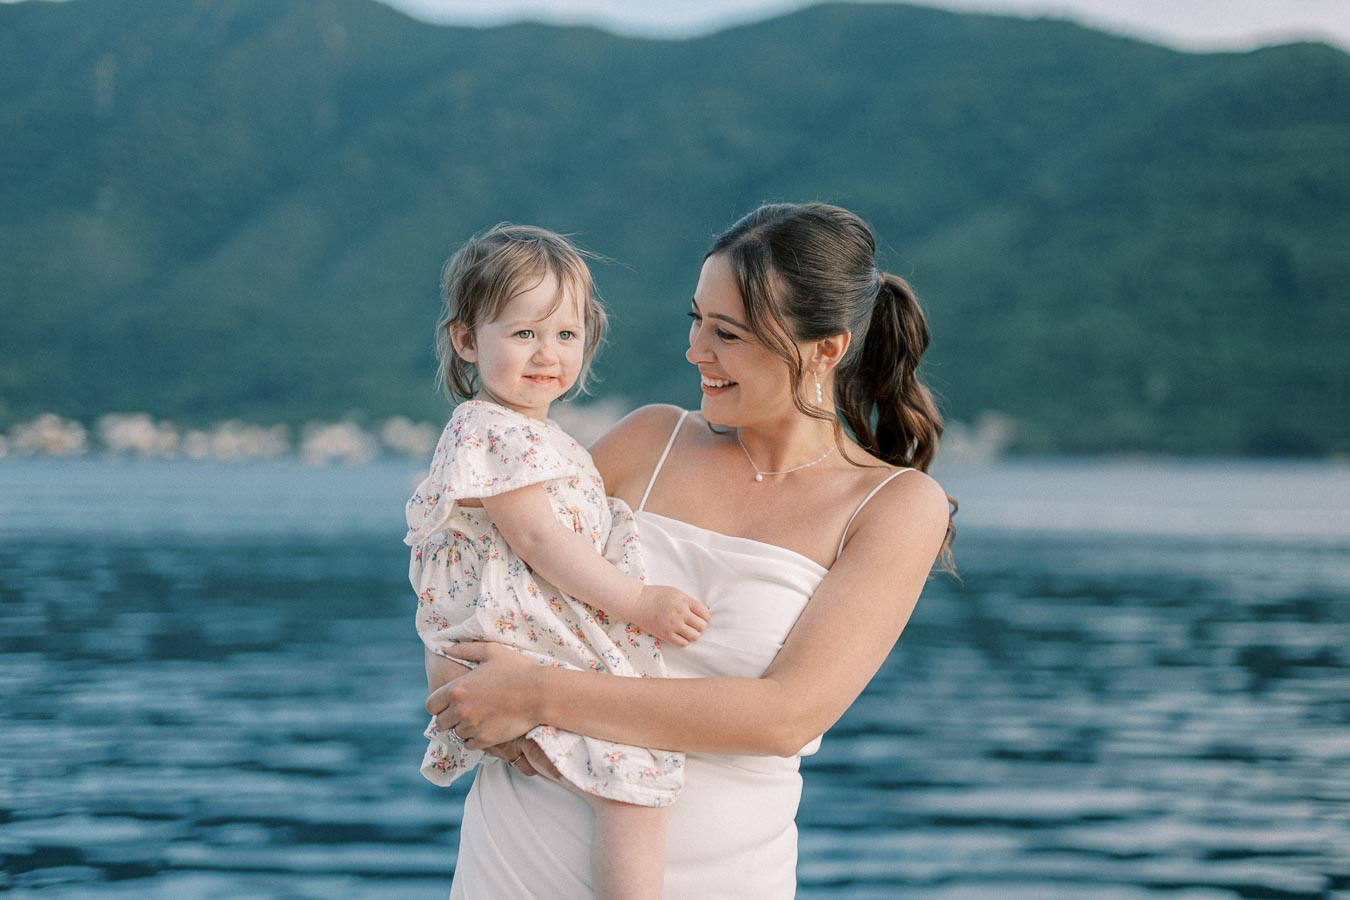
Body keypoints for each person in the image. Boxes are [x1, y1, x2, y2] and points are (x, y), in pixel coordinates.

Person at [427, 202, 956, 898]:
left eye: (727, 333)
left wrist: (537, 693)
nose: (695, 351)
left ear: (825, 349)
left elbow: (784, 716)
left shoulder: (893, 506)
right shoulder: (651, 438)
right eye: (695, 320)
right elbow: (476, 570)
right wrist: (460, 694)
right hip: (512, 868)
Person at [405, 224, 711, 900]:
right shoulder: (494, 431)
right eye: (523, 335)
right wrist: (641, 604)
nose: (547, 354)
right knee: (634, 776)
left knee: (630, 764)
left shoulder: (534, 436)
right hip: (520, 640)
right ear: (465, 340)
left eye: (566, 336)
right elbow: (539, 541)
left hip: (528, 639)